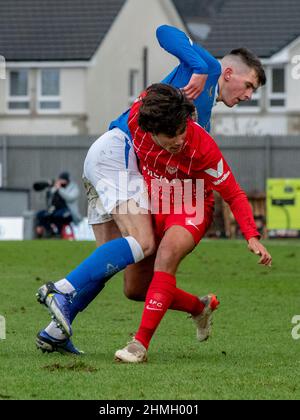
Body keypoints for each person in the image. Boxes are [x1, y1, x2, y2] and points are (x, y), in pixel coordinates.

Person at [35, 25, 267, 355]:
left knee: (112, 264)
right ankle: (62, 290)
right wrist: (200, 67)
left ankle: (55, 331)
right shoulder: (210, 70)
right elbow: (165, 31)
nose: (248, 95)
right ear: (229, 73)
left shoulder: (203, 116)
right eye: (249, 86)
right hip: (120, 155)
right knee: (144, 244)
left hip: (106, 156)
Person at [35, 172, 82, 238]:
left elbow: (69, 198)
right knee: (41, 215)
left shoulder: (74, 188)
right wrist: (52, 187)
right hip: (56, 210)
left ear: (67, 180)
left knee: (58, 215)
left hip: (69, 213)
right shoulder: (55, 188)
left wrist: (59, 189)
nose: (61, 182)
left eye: (63, 180)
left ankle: (59, 233)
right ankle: (50, 231)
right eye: (60, 180)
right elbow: (49, 198)